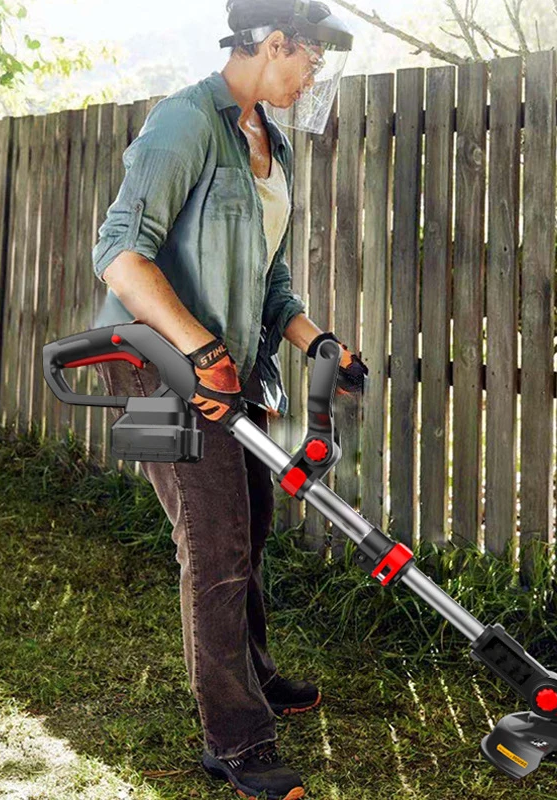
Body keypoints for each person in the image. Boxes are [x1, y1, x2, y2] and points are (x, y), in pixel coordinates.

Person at [90, 1, 365, 798]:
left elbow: (270, 279)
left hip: (228, 365)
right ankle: (234, 742)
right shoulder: (183, 124)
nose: (315, 74)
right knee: (214, 546)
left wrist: (318, 343)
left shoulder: (268, 142)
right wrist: (200, 349)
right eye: (310, 57)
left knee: (251, 523)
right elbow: (119, 254)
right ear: (272, 42)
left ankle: (252, 672)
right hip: (158, 364)